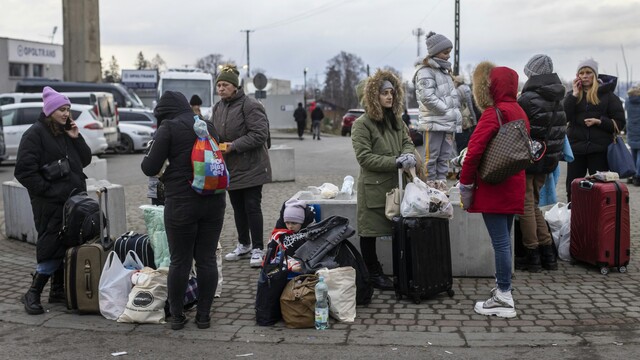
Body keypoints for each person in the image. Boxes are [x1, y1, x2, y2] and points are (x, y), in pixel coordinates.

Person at [141, 91, 226, 330]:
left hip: (181, 202)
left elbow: (149, 167)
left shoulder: (168, 128)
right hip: (213, 200)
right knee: (207, 259)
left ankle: (177, 316)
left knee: (180, 261)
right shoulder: (207, 125)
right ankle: (204, 316)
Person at [458, 62, 529, 318]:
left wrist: (465, 183)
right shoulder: (519, 110)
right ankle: (503, 288)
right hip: (513, 184)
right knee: (505, 241)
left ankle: (504, 296)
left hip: (494, 186)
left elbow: (474, 151)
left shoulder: (493, 113)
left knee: (499, 242)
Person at [14, 86, 92, 315]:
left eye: (67, 109)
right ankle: (33, 293)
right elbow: (24, 171)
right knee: (51, 245)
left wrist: (76, 139)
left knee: (68, 243)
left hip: (73, 201)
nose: (66, 113)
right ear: (50, 111)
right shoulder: (34, 134)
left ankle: (58, 290)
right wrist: (49, 191)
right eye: (61, 109)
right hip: (49, 203)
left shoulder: (65, 132)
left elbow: (85, 160)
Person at [351, 69, 416, 290]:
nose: (390, 96)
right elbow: (365, 158)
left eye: (392, 92)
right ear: (373, 97)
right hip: (374, 189)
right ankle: (373, 272)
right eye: (384, 93)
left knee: (399, 229)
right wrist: (396, 161)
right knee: (369, 233)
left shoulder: (396, 120)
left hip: (399, 185)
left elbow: (407, 140)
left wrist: (407, 154)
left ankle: (402, 269)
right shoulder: (362, 124)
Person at [212, 65, 272, 268]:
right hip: (231, 167)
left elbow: (259, 134)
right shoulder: (218, 107)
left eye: (225, 85)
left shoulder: (250, 105)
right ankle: (244, 244)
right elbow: (215, 132)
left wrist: (234, 145)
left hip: (253, 166)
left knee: (252, 206)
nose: (221, 89)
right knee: (237, 207)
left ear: (235, 87)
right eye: (218, 85)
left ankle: (257, 248)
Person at [515, 54, 567, 272]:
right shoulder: (558, 97)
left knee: (525, 205)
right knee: (533, 204)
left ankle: (532, 254)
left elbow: (518, 127)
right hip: (548, 160)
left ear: (532, 73)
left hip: (530, 159)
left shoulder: (527, 99)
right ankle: (548, 253)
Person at [564, 59, 625, 201]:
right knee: (573, 188)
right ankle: (573, 217)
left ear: (595, 75)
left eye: (588, 72)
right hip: (576, 149)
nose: (585, 76)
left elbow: (620, 123)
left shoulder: (608, 96)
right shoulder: (572, 95)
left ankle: (598, 219)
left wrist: (600, 122)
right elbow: (563, 117)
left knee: (599, 189)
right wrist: (573, 94)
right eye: (581, 73)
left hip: (599, 150)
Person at [413, 31, 462, 191]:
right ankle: (428, 186)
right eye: (445, 52)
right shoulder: (425, 71)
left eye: (449, 52)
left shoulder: (444, 71)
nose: (448, 56)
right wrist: (446, 110)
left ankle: (441, 185)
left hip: (447, 123)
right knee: (431, 156)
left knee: (444, 156)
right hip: (434, 123)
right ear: (434, 52)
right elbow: (427, 97)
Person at [453, 75, 477, 153]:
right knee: (466, 144)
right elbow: (470, 106)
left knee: (460, 144)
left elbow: (457, 107)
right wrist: (474, 121)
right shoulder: (467, 88)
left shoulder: (458, 90)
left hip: (461, 122)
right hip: (467, 121)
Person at [625, 84, 640, 186]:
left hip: (631, 129)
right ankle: (638, 176)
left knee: (633, 153)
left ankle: (632, 175)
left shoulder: (628, 100)